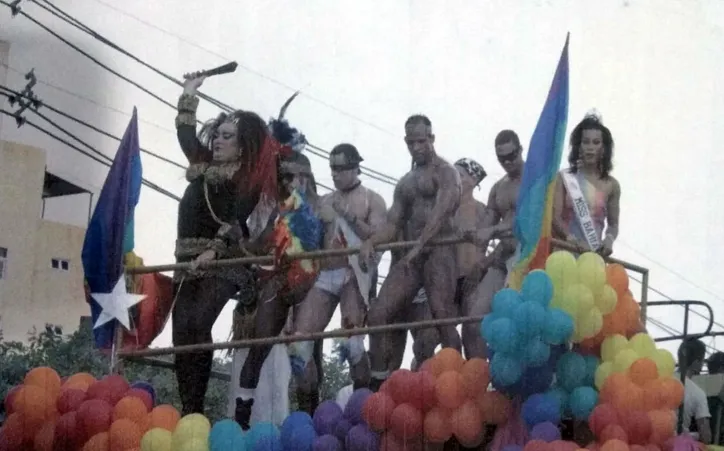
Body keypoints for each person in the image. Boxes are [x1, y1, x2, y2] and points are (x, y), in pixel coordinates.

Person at [171, 73, 283, 415]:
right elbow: (186, 132)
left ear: (241, 144)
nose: (218, 141)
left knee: (199, 324)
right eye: (217, 135)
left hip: (224, 261)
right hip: (186, 260)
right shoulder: (202, 165)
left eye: (227, 137)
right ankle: (190, 409)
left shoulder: (246, 176)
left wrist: (212, 252)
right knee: (181, 333)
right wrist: (189, 93)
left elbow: (236, 220)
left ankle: (197, 409)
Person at [233, 114, 325, 429]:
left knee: (302, 353)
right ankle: (240, 422)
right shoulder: (280, 206)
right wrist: (239, 242)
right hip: (281, 280)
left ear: (307, 176)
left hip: (315, 285)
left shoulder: (324, 207)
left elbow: (332, 256)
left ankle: (310, 424)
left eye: (294, 175)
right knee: (257, 347)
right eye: (283, 175)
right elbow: (259, 244)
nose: (287, 181)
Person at [360, 114, 463, 390]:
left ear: (431, 138)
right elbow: (393, 223)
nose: (416, 147)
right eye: (411, 142)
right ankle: (378, 382)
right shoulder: (406, 182)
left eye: (421, 140)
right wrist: (372, 241)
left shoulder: (446, 172)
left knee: (442, 316)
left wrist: (417, 249)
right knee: (378, 314)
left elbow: (441, 214)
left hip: (439, 251)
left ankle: (460, 380)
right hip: (413, 256)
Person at [289, 143, 387, 390]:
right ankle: (308, 410)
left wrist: (349, 216)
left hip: (353, 275)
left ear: (355, 168)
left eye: (341, 168)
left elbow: (379, 238)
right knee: (298, 347)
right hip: (324, 274)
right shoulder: (324, 200)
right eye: (332, 168)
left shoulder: (372, 200)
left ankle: (364, 402)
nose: (335, 174)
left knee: (352, 345)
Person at [463, 130, 525, 359]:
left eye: (512, 155)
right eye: (502, 158)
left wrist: (491, 230)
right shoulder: (498, 187)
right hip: (502, 259)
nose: (508, 162)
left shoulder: (536, 178)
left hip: (529, 260)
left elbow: (527, 219)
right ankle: (479, 380)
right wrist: (476, 240)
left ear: (521, 149)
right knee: (473, 321)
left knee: (517, 324)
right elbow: (488, 222)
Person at [553, 111, 621, 257]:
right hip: (564, 254)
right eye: (586, 142)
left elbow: (613, 224)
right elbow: (555, 218)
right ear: (578, 146)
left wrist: (609, 240)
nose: (590, 147)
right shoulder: (564, 178)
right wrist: (572, 239)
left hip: (592, 257)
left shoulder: (612, 186)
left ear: (604, 148)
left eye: (596, 143)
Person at [452, 158, 490, 359]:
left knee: (472, 333)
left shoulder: (482, 210)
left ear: (473, 180)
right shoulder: (443, 206)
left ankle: (476, 379)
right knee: (434, 332)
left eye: (461, 174)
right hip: (446, 280)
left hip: (472, 278)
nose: (455, 178)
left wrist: (479, 270)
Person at [677, 338, 712, 444]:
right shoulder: (698, 393)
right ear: (697, 363)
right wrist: (694, 435)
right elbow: (706, 437)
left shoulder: (661, 379)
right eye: (702, 360)